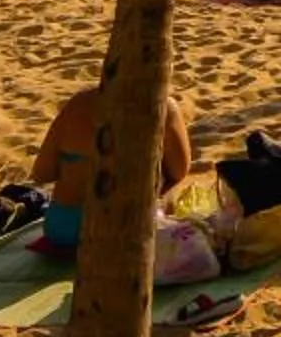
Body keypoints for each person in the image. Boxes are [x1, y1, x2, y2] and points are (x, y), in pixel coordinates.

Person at [30, 85, 195, 255]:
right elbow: (179, 172)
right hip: (131, 227)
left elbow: (41, 174)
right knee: (176, 187)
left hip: (64, 227)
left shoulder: (78, 104)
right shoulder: (164, 107)